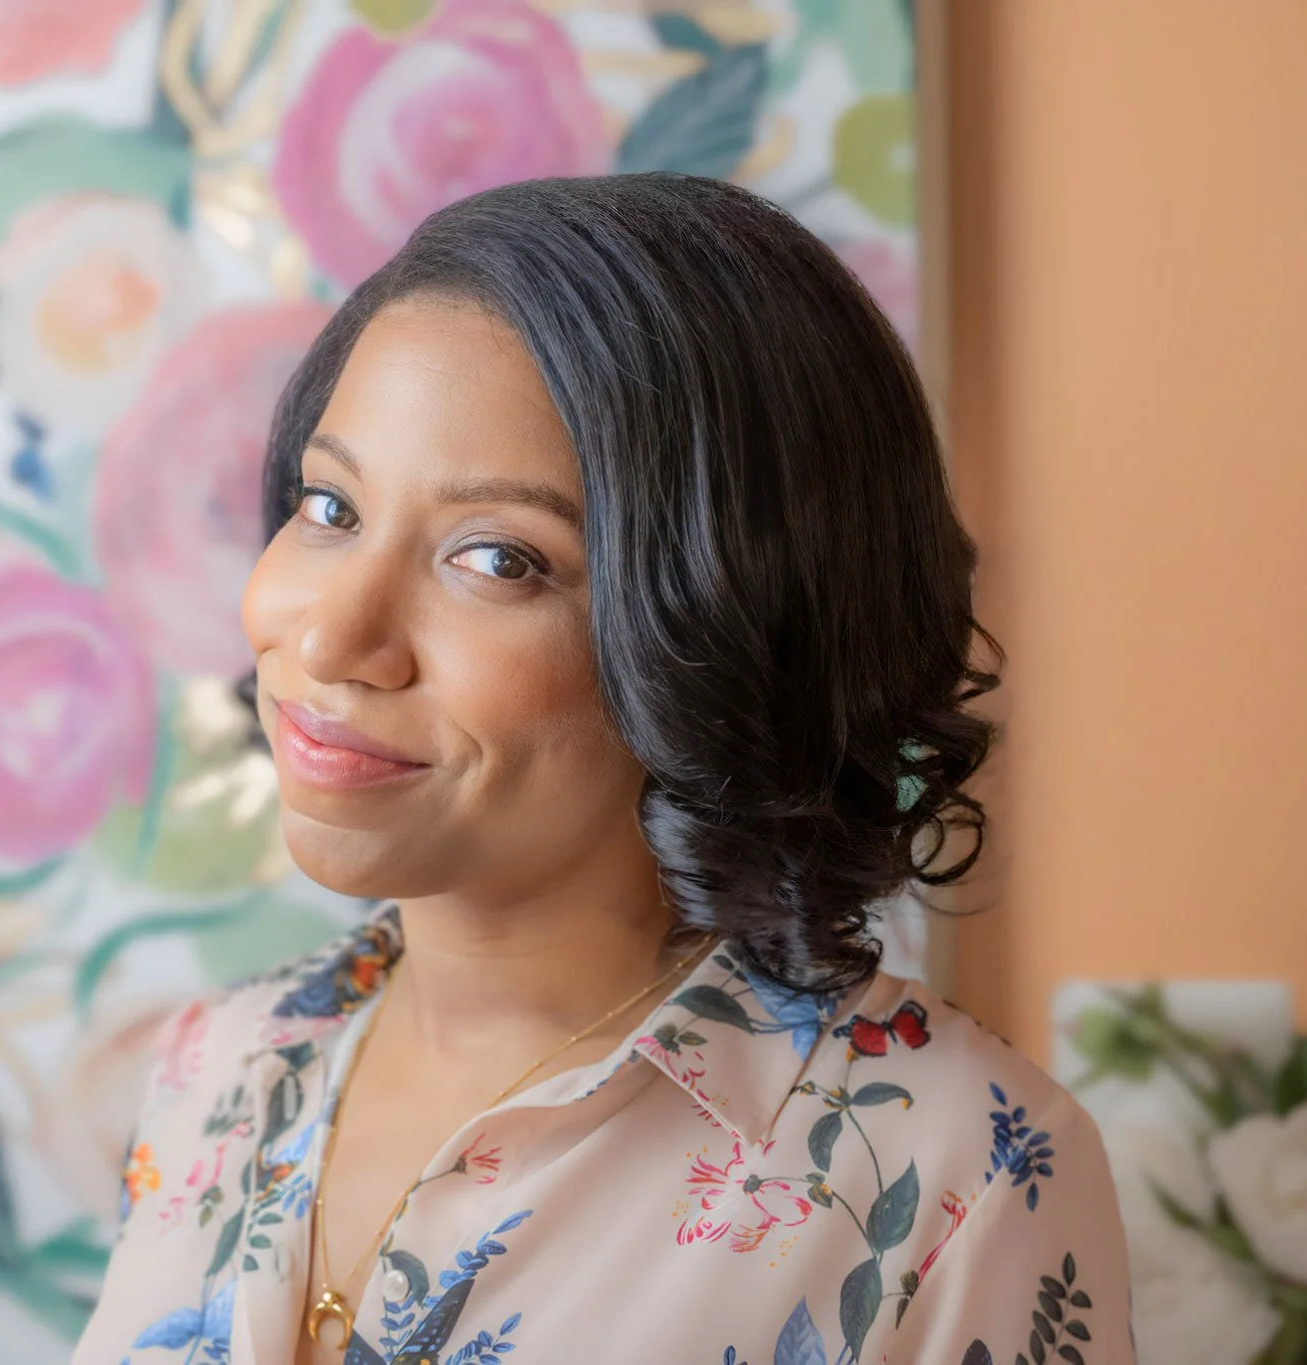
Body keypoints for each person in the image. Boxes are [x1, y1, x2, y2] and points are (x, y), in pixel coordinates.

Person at [69, 174, 1130, 1365]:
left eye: (498, 560)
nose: (327, 640)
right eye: (329, 505)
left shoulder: (955, 1173)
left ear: (722, 628)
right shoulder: (216, 1067)